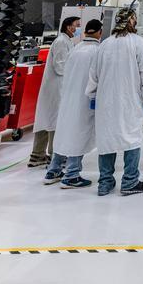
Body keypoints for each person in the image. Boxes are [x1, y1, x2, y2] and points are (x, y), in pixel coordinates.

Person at [88, 7, 143, 197]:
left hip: (105, 101)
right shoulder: (137, 42)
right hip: (128, 99)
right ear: (131, 21)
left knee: (106, 140)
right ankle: (130, 182)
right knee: (131, 137)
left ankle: (105, 183)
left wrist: (92, 95)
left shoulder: (105, 44)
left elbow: (94, 73)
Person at [45, 19, 103, 188]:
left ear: (85, 32)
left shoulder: (76, 48)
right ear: (100, 32)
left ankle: (53, 170)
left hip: (68, 98)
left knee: (65, 134)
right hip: (85, 100)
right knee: (79, 135)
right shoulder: (98, 51)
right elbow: (99, 77)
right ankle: (71, 175)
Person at [28, 15, 80, 168]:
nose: (78, 29)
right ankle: (55, 156)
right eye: (76, 25)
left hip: (55, 87)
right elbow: (60, 66)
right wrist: (75, 74)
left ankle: (37, 155)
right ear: (69, 27)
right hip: (57, 87)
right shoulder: (61, 42)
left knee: (46, 120)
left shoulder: (66, 41)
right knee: (55, 121)